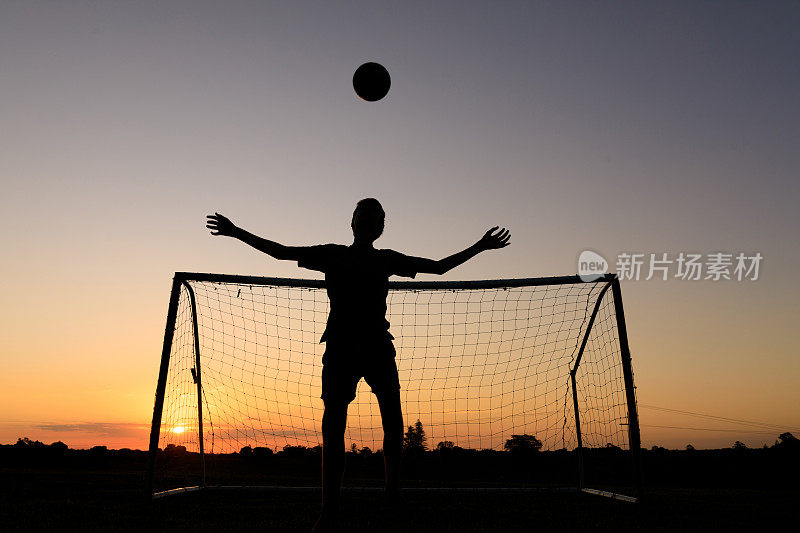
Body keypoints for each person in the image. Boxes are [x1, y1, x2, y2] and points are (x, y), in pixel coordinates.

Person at [206, 199, 510, 532]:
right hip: (340, 348)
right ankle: (330, 511)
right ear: (353, 223)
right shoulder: (333, 253)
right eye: (364, 215)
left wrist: (481, 246)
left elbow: (438, 267)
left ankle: (391, 494)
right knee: (334, 428)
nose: (369, 221)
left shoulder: (386, 259)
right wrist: (236, 233)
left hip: (378, 347)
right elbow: (281, 252)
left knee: (392, 424)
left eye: (375, 216)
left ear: (380, 226)